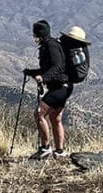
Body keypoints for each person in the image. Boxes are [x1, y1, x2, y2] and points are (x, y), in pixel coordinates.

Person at [24, 20, 71, 160]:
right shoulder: (49, 45)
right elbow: (48, 69)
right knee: (55, 118)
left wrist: (43, 78)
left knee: (39, 114)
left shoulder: (51, 46)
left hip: (60, 87)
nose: (34, 37)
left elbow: (57, 67)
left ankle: (45, 148)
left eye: (35, 34)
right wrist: (31, 72)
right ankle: (59, 152)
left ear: (40, 34)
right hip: (64, 86)